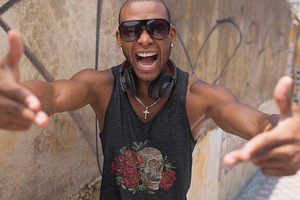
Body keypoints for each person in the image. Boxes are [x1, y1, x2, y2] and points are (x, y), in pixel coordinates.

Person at [0, 0, 300, 199]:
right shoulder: (101, 86)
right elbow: (53, 93)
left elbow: (255, 121)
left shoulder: (198, 96)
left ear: (170, 35)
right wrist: (23, 96)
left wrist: (280, 130)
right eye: (131, 31)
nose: (144, 39)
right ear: (120, 40)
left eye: (156, 28)